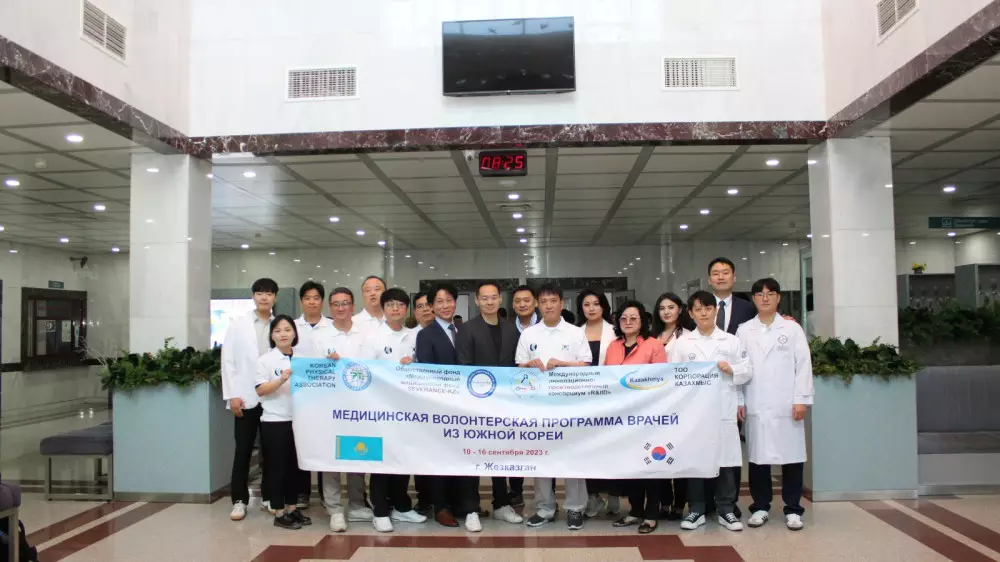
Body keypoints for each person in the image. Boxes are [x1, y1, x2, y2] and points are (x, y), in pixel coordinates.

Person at [670, 291, 752, 532]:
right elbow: (672, 376)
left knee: (726, 461)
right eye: (698, 309)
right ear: (691, 313)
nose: (704, 313)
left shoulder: (730, 341)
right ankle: (696, 509)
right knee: (696, 460)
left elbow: (747, 370)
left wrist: (732, 369)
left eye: (708, 308)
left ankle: (726, 509)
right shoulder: (682, 343)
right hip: (694, 413)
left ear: (715, 310)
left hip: (723, 409)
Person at [737, 278, 814, 531]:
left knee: (792, 458)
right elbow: (739, 367)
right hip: (756, 402)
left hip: (786, 403)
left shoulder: (792, 329)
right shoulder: (744, 330)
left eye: (770, 293)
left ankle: (793, 508)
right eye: (760, 294)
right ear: (754, 299)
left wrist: (801, 399)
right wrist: (739, 400)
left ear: (778, 298)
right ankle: (760, 506)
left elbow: (803, 365)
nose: (765, 298)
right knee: (758, 458)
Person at [515, 283, 592, 531]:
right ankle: (544, 508)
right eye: (544, 301)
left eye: (553, 301)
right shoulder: (529, 334)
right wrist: (528, 365)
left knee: (573, 456)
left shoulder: (575, 333)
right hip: (538, 408)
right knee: (541, 456)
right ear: (538, 304)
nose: (548, 306)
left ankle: (575, 508)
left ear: (562, 303)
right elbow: (518, 367)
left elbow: (587, 365)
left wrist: (562, 364)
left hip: (570, 406)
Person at [456, 281, 525, 525]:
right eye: (484, 298)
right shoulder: (467, 329)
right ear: (477, 301)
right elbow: (464, 367)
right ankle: (471, 508)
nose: (489, 301)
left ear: (500, 299)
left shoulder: (511, 329)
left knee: (501, 454)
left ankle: (502, 504)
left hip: (505, 404)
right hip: (476, 404)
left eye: (493, 297)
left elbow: (517, 365)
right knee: (473, 455)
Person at [415, 283, 482, 533]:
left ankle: (466, 504)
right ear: (432, 306)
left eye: (449, 300)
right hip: (440, 407)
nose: (445, 306)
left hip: (466, 407)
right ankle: (441, 506)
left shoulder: (465, 330)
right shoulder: (426, 334)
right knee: (440, 456)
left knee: (466, 455)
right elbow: (427, 373)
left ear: (456, 302)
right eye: (439, 302)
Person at [306, 286, 373, 532]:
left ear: (353, 306)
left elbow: (374, 368)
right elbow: (312, 373)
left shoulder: (366, 334)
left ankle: (357, 504)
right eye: (336, 304)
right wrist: (329, 366)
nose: (341, 308)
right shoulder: (319, 337)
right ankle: (334, 509)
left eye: (345, 303)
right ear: (330, 307)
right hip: (330, 406)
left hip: (359, 405)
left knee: (357, 452)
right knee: (331, 456)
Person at [366, 288, 429, 532]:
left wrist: (414, 364)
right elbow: (364, 372)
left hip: (408, 409)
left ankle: (401, 507)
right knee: (382, 460)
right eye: (390, 304)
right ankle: (380, 510)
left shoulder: (414, 336)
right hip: (381, 408)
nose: (395, 308)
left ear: (406, 309)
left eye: (400, 304)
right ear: (383, 308)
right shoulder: (372, 337)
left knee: (403, 457)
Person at [605, 301, 667, 534]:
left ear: (643, 321)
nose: (628, 322)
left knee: (650, 465)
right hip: (621, 416)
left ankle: (651, 514)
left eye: (634, 318)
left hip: (648, 415)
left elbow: (661, 380)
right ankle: (635, 510)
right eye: (624, 318)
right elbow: (607, 379)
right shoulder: (613, 346)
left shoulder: (654, 345)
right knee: (630, 465)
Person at [223, 278, 277, 522]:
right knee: (243, 450)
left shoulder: (279, 324)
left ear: (275, 297)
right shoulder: (238, 324)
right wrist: (232, 395)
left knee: (271, 451)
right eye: (259, 293)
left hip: (273, 397)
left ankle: (269, 497)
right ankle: (239, 500)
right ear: (253, 296)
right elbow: (228, 361)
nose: (264, 297)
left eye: (269, 293)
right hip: (245, 397)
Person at [707, 257, 755, 518]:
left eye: (725, 272)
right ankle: (706, 500)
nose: (721, 277)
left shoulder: (748, 308)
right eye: (716, 273)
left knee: (731, 447)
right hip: (704, 392)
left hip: (734, 386)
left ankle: (730, 500)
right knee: (706, 445)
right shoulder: (701, 306)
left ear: (734, 277)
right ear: (709, 279)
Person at [255, 315, 312, 529]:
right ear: (272, 335)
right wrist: (281, 379)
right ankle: (279, 512)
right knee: (277, 468)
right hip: (275, 421)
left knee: (294, 469)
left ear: (295, 333)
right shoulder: (265, 360)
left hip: (299, 420)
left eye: (287, 329)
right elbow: (261, 389)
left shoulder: (302, 359)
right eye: (278, 331)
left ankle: (292, 508)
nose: (283, 334)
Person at [577, 289, 620, 518]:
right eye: (586, 304)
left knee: (610, 447)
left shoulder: (615, 331)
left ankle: (613, 494)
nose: (591, 308)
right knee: (587, 448)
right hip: (582, 400)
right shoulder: (575, 332)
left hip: (609, 398)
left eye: (596, 303)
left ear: (604, 306)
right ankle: (593, 496)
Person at [651, 292, 694, 521]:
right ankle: (665, 501)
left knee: (680, 454)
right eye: (662, 308)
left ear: (680, 309)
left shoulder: (689, 336)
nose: (666, 312)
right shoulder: (652, 336)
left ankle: (679, 504)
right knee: (659, 453)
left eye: (671, 307)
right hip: (656, 404)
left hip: (681, 404)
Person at [291, 280, 330, 509]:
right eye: (307, 298)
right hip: (300, 396)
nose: (312, 302)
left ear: (322, 301)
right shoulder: (292, 327)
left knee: (324, 443)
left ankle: (327, 493)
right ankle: (301, 492)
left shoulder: (332, 326)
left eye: (316, 298)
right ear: (301, 301)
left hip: (326, 396)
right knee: (302, 442)